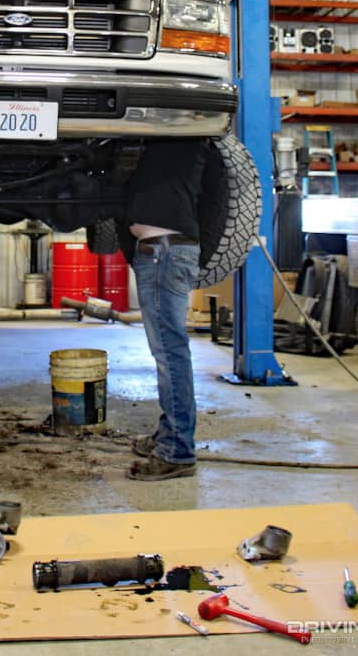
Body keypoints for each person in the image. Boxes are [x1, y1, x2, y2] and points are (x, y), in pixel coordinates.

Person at [119, 138, 209, 481]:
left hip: (165, 254)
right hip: (161, 252)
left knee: (170, 354)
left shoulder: (190, 135)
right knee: (169, 352)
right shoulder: (170, 144)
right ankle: (169, 434)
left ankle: (178, 452)